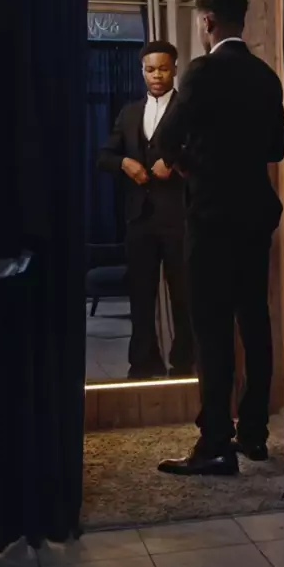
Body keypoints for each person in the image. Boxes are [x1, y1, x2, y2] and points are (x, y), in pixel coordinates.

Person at [156, 0, 284, 476]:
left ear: (207, 22)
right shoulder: (265, 75)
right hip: (255, 213)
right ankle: (254, 434)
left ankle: (215, 442)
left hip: (212, 216)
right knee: (254, 319)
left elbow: (167, 138)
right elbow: (276, 149)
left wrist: (193, 168)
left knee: (211, 328)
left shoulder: (202, 71)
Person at [98, 40, 193, 379]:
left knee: (184, 295)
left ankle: (185, 363)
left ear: (175, 69)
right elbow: (104, 156)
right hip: (139, 218)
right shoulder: (129, 112)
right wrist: (125, 163)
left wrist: (174, 161)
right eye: (150, 69)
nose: (157, 75)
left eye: (163, 69)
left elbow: (204, 154)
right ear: (142, 71)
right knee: (140, 295)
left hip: (179, 217)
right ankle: (143, 362)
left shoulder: (188, 109)